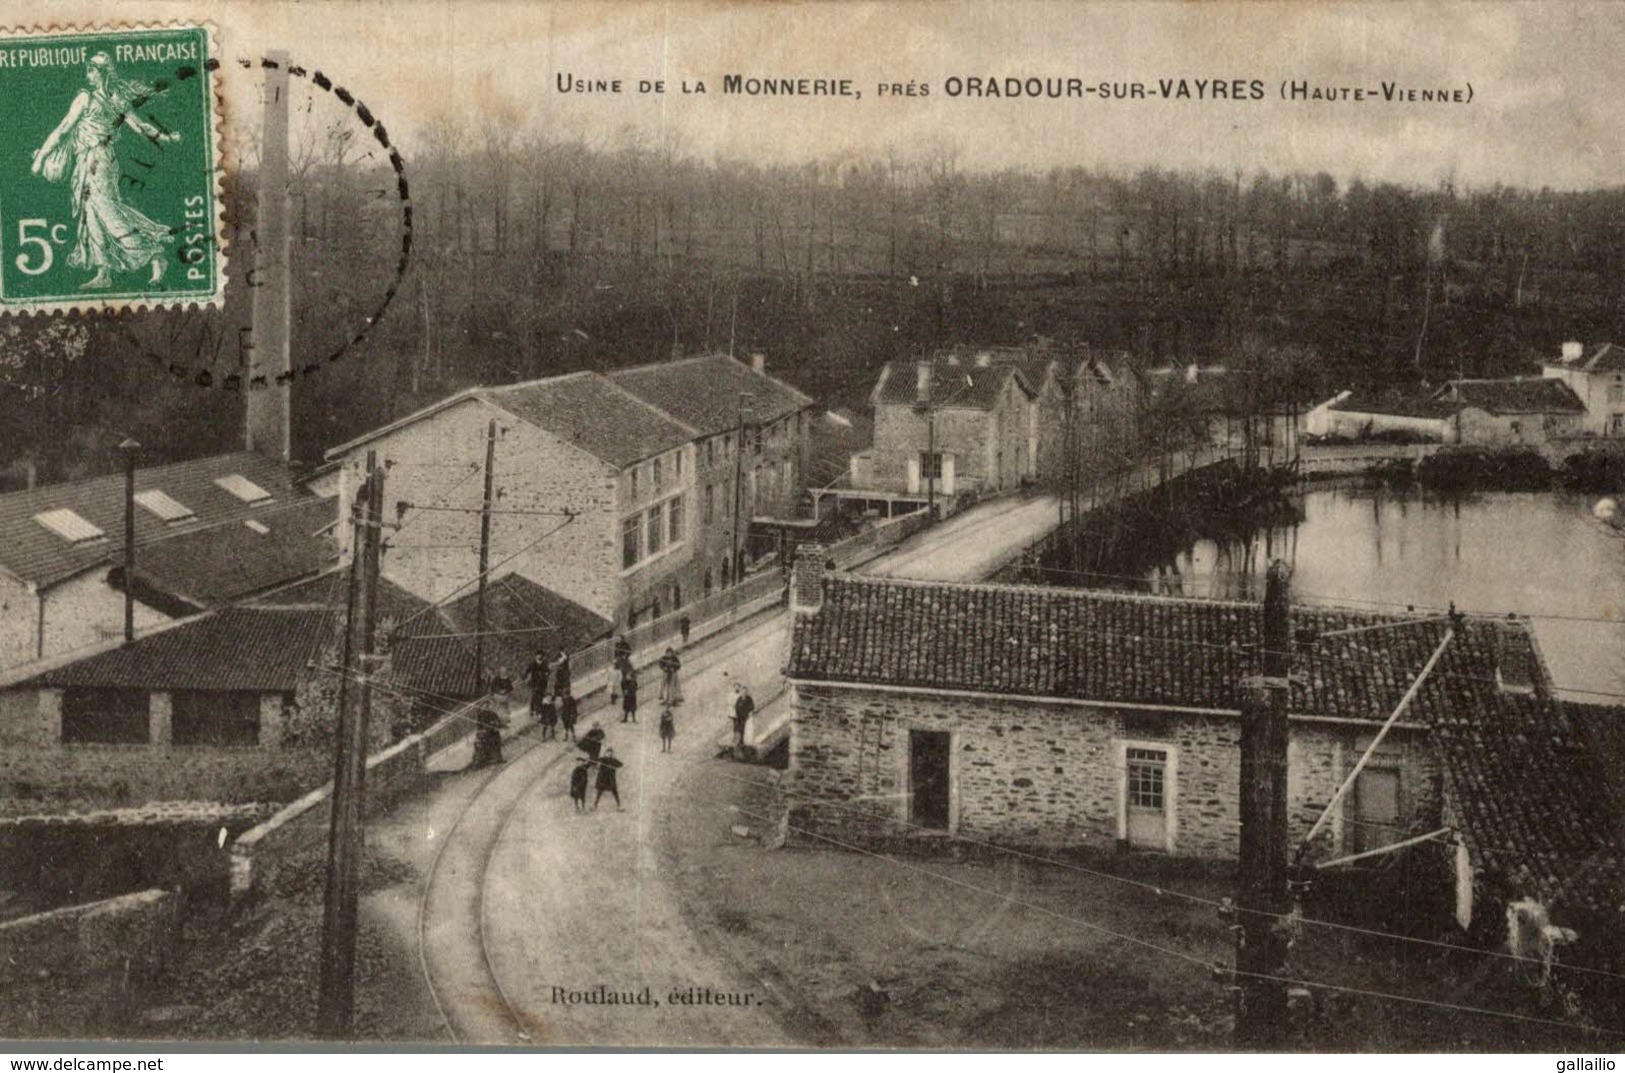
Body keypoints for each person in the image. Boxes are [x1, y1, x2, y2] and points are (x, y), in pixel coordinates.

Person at [30, 53, 179, 290]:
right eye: (87, 69)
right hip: (91, 161)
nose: (87, 74)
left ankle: (153, 253)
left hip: (98, 161)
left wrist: (40, 160)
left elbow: (63, 129)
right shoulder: (102, 98)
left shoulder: (94, 98)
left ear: (103, 72)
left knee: (105, 210)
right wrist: (165, 137)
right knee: (92, 213)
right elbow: (63, 130)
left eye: (91, 70)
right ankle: (104, 272)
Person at [732, 682, 755, 756]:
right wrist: (737, 714)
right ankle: (739, 745)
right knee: (739, 730)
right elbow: (736, 706)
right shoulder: (739, 698)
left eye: (745, 691)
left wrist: (750, 713)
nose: (744, 693)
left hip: (746, 718)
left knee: (744, 731)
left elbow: (752, 707)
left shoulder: (749, 699)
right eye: (743, 691)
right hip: (739, 717)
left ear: (747, 692)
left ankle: (742, 744)